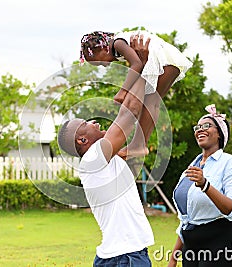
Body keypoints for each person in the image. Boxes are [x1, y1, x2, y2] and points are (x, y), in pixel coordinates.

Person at [58, 37, 154, 266]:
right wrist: (140, 64)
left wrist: (145, 71)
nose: (95, 122)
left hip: (114, 256)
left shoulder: (101, 162)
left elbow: (143, 110)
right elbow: (128, 111)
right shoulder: (92, 159)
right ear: (82, 139)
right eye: (87, 123)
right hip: (126, 257)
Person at [80, 30, 192, 158]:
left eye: (100, 62)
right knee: (152, 102)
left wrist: (123, 91)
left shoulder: (118, 43)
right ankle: (140, 145)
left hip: (161, 60)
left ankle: (139, 145)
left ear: (101, 48)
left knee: (149, 102)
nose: (104, 66)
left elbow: (137, 64)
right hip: (170, 61)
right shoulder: (118, 45)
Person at [168, 104, 232, 267]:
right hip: (191, 247)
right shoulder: (192, 166)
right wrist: (174, 257)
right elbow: (186, 219)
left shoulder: (230, 163)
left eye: (206, 125)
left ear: (219, 133)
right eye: (197, 127)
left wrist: (205, 185)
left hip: (221, 243)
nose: (200, 129)